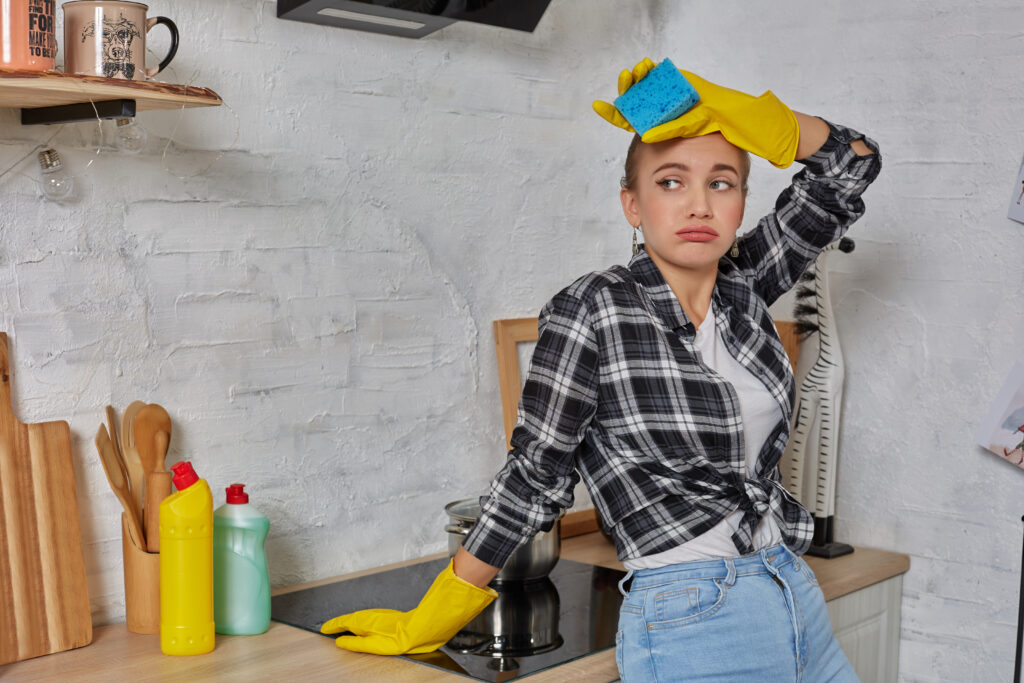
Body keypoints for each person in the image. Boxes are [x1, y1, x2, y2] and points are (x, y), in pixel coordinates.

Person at [320, 59, 881, 681]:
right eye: (671, 182)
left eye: (722, 183)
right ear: (631, 205)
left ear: (743, 199)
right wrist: (434, 615)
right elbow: (534, 480)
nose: (698, 203)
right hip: (694, 616)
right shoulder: (592, 309)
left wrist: (729, 106)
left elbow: (850, 164)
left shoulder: (744, 285)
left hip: (793, 594)